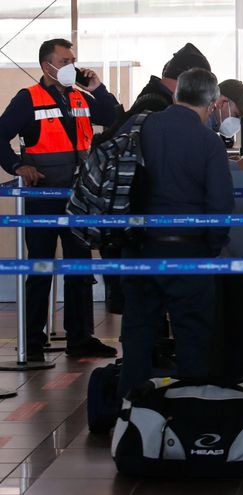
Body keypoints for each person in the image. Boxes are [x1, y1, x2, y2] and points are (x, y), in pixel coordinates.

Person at [116, 68, 234, 399]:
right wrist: (211, 247)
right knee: (193, 337)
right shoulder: (208, 142)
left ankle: (130, 411)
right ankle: (188, 410)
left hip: (138, 248)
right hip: (189, 252)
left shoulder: (139, 126)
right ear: (211, 103)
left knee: (138, 334)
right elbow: (220, 204)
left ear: (175, 95)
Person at [0, 38, 120, 362]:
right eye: (65, 61)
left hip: (78, 197)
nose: (72, 66)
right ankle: (32, 341)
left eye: (73, 60)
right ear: (47, 65)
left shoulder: (81, 96)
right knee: (41, 269)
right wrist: (17, 166)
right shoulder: (28, 99)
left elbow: (114, 117)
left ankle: (81, 338)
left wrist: (98, 87)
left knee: (80, 268)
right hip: (42, 197)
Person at [97, 42, 212, 315]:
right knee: (145, 308)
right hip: (143, 225)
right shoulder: (156, 106)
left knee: (144, 308)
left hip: (136, 224)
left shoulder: (151, 100)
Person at [208, 79, 243, 171]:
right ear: (221, 103)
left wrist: (227, 161)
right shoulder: (203, 125)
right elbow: (200, 165)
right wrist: (237, 166)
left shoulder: (210, 129)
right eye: (236, 115)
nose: (237, 122)